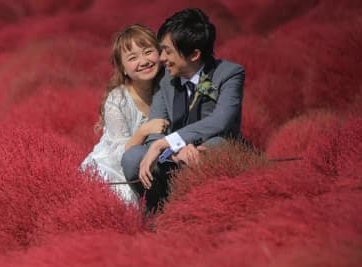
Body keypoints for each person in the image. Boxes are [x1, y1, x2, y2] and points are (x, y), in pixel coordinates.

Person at [121, 8, 245, 212]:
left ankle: (204, 211)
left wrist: (166, 143)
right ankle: (157, 211)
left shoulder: (230, 74)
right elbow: (156, 130)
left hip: (211, 150)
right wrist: (173, 152)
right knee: (133, 157)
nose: (161, 58)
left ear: (195, 54)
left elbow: (220, 122)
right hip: (173, 157)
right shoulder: (165, 79)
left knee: (215, 145)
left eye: (168, 51)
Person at [80, 24, 169, 205]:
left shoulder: (170, 87)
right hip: (115, 170)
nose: (144, 61)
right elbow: (119, 154)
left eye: (148, 52)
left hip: (154, 162)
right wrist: (143, 131)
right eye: (133, 57)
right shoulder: (117, 100)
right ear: (122, 68)